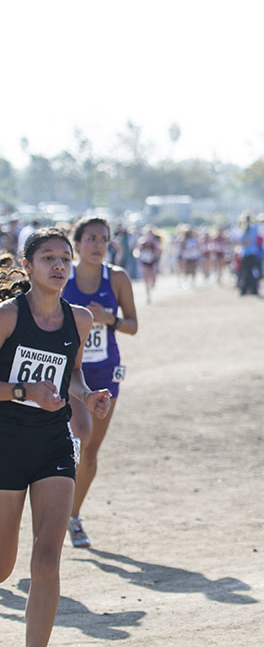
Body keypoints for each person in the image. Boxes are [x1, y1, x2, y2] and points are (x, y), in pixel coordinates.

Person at [0, 229, 112, 647]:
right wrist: (23, 392)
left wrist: (87, 396)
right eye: (47, 258)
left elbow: (72, 373)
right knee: (3, 567)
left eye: (64, 257)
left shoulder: (79, 319)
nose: (59, 265)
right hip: (6, 442)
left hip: (53, 444)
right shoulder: (8, 317)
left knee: (47, 559)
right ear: (27, 266)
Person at [62, 217, 139, 548]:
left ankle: (73, 517)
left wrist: (110, 319)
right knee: (69, 443)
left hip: (105, 371)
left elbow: (133, 325)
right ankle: (52, 512)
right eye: (90, 238)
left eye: (103, 239)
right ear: (76, 243)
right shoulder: (62, 275)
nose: (97, 244)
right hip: (66, 372)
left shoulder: (117, 278)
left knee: (89, 451)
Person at [133, 227, 162, 304]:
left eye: (150, 234)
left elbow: (158, 250)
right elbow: (137, 250)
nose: (149, 236)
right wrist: (137, 254)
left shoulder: (154, 242)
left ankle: (153, 284)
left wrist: (155, 255)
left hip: (152, 262)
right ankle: (148, 296)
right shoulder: (142, 242)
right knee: (145, 279)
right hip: (144, 262)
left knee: (153, 276)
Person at [238, 215, 264, 296]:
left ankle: (246, 289)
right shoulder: (253, 229)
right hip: (252, 254)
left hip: (245, 255)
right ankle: (251, 289)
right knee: (252, 273)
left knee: (247, 273)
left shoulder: (243, 231)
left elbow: (242, 242)